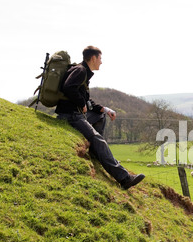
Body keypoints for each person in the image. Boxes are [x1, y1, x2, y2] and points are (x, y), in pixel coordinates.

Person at [55, 46, 144, 189]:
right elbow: (68, 87)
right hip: (71, 116)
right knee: (98, 139)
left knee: (100, 114)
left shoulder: (83, 72)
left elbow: (87, 100)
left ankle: (97, 153)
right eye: (100, 58)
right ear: (93, 58)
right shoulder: (80, 70)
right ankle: (125, 179)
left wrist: (105, 109)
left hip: (75, 113)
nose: (101, 62)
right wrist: (81, 103)